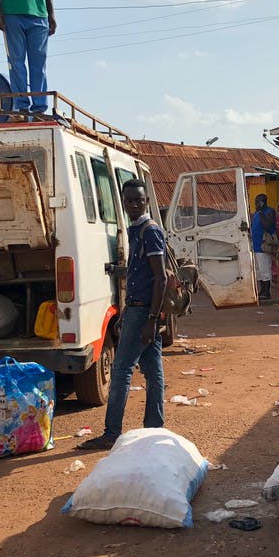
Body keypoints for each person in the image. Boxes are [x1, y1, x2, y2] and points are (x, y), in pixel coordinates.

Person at [78, 179, 165, 450]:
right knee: (152, 369)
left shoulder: (149, 231)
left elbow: (160, 278)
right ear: (123, 203)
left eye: (139, 200)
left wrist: (151, 319)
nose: (134, 205)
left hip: (144, 313)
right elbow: (143, 274)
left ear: (146, 201)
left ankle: (111, 432)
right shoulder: (136, 229)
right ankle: (154, 427)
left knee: (121, 370)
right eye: (129, 201)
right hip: (140, 310)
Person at [0, 0, 56, 116]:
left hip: (39, 13)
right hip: (11, 11)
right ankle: (21, 108)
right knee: (16, 63)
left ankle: (39, 109)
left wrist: (51, 13)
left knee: (38, 65)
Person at [251, 194, 277, 300]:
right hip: (256, 245)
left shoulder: (269, 212)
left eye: (258, 202)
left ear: (262, 202)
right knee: (259, 270)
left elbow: (267, 225)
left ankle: (267, 292)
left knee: (265, 269)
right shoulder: (257, 213)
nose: (256, 204)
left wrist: (261, 212)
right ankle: (262, 290)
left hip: (264, 245)